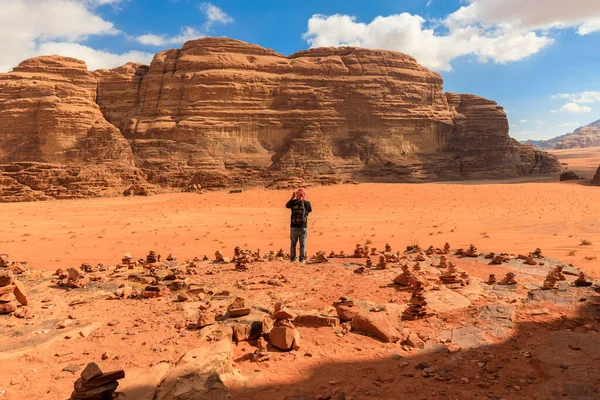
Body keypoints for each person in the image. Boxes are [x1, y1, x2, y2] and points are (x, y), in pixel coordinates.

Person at [285, 188, 312, 263]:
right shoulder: (307, 203)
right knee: (302, 244)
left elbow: (287, 205)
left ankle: (292, 259)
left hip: (293, 227)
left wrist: (292, 197)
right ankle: (302, 259)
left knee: (293, 243)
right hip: (303, 227)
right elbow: (309, 211)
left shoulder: (293, 202)